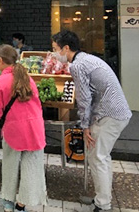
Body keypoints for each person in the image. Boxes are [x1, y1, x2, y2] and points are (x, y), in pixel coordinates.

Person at [51, 31, 131, 212]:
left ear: (66, 48)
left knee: (98, 158)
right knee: (101, 157)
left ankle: (103, 205)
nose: (54, 53)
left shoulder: (77, 66)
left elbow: (84, 99)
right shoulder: (87, 58)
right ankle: (101, 198)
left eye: (55, 49)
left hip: (109, 115)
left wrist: (85, 126)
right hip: (115, 112)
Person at [0, 44, 47, 212]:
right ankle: (22, 204)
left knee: (10, 166)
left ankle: (8, 202)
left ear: (0, 60)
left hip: (14, 130)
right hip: (35, 128)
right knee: (32, 168)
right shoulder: (28, 78)